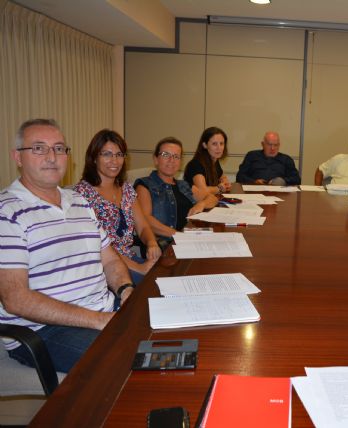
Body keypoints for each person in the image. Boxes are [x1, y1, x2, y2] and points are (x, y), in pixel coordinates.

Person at [0, 119, 133, 373]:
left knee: (166, 336)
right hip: (42, 329)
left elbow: (111, 260)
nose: (52, 157)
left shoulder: (80, 201)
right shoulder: (7, 211)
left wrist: (125, 290)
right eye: (39, 148)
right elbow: (15, 299)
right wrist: (98, 320)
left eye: (59, 148)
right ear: (18, 157)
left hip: (102, 310)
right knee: (126, 361)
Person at [75, 129, 161, 284]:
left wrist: (152, 243)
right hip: (105, 268)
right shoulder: (82, 195)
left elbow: (142, 228)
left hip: (130, 258)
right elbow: (100, 248)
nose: (114, 160)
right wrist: (139, 268)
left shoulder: (126, 188)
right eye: (107, 154)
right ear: (94, 157)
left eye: (119, 154)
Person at [134, 137, 218, 243]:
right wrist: (179, 236)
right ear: (155, 159)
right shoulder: (144, 185)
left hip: (190, 239)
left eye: (176, 156)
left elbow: (212, 198)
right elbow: (144, 220)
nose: (171, 160)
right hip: (164, 247)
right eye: (166, 155)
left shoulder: (183, 185)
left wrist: (201, 204)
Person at [236, 131, 301, 186]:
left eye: (276, 145)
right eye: (269, 144)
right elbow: (240, 176)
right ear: (263, 144)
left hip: (279, 194)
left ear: (279, 145)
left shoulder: (286, 159)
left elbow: (297, 179)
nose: (273, 148)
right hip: (255, 192)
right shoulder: (252, 156)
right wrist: (254, 182)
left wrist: (282, 181)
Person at [184, 127, 233, 197]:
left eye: (221, 143)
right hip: (195, 205)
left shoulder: (214, 159)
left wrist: (225, 182)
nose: (219, 148)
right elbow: (202, 191)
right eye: (214, 144)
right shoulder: (195, 165)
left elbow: (222, 176)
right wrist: (219, 188)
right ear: (205, 145)